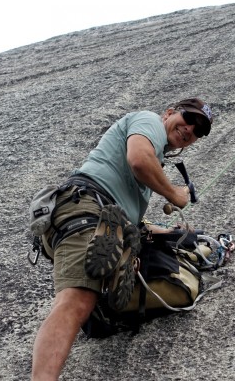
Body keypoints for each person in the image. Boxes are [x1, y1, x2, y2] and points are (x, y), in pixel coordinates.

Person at [31, 98, 214, 380]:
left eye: (198, 130)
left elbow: (136, 193)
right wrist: (174, 193)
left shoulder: (156, 155)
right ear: (168, 113)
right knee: (77, 300)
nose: (190, 129)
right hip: (87, 207)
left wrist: (174, 233)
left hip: (95, 215)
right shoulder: (148, 121)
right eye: (187, 119)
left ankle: (116, 269)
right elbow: (139, 160)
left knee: (120, 265)